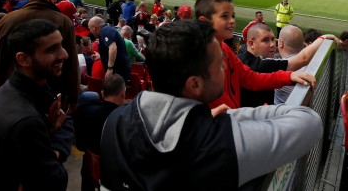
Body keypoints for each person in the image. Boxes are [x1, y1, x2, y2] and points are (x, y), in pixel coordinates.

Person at [99, 20, 323, 190]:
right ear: (195, 84)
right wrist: (233, 118)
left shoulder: (113, 123)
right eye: (219, 65)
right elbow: (310, 122)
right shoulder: (220, 141)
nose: (225, 69)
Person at [0, 19, 72, 191]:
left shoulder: (11, 89)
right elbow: (55, 181)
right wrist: (55, 150)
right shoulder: (26, 121)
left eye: (61, 46)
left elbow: (65, 121)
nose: (64, 54)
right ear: (23, 59)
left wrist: (48, 136)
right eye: (52, 49)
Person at [195, 0, 316, 109]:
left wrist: (289, 76)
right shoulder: (197, 55)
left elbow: (249, 78)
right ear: (205, 21)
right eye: (224, 16)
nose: (232, 21)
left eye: (233, 16)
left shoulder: (224, 48)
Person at [0, 0, 80, 107]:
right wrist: (73, 97)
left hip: (10, 95)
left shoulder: (7, 20)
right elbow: (71, 63)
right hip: (49, 97)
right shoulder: (63, 22)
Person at [238, 24, 338, 106]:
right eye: (265, 40)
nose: (272, 44)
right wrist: (323, 38)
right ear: (251, 44)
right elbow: (303, 58)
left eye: (273, 39)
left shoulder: (239, 59)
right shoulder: (261, 65)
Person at [73, 74, 126, 191]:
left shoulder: (86, 111)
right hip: (114, 176)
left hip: (90, 170)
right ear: (123, 93)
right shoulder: (125, 121)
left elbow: (80, 145)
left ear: (102, 93)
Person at [87, 16, 131, 81]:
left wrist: (110, 68)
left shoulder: (105, 30)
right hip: (118, 68)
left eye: (89, 28)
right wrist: (100, 56)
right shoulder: (106, 30)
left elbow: (113, 48)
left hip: (118, 69)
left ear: (94, 28)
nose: (90, 31)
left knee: (114, 90)